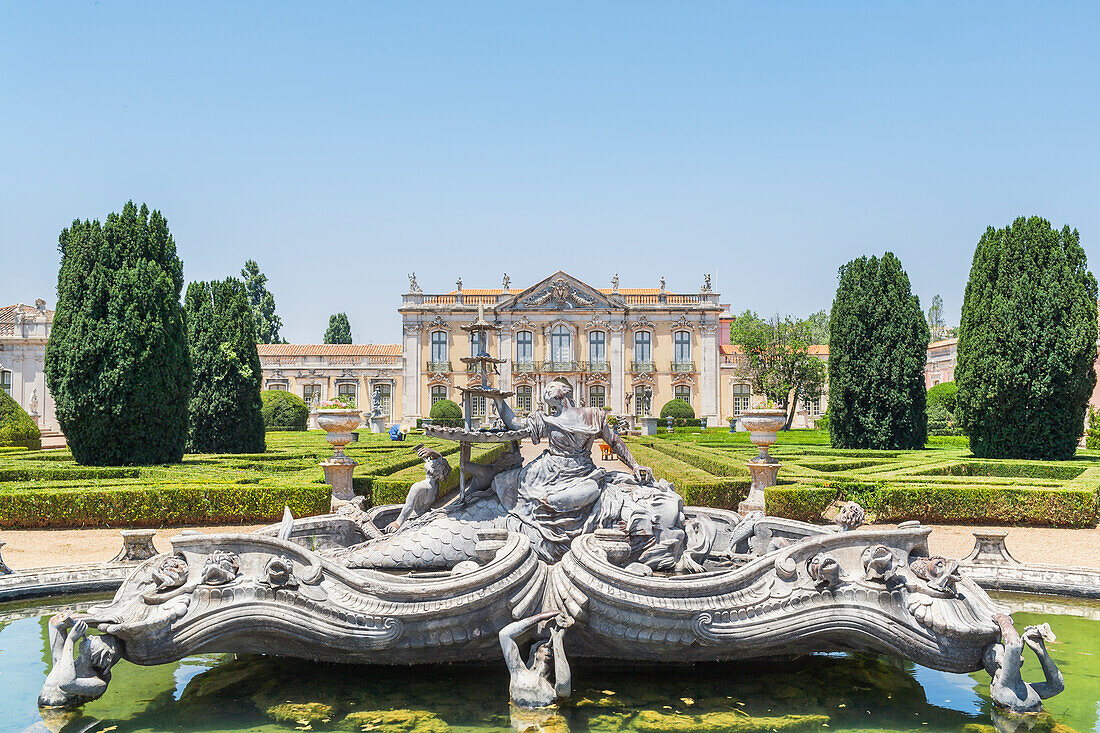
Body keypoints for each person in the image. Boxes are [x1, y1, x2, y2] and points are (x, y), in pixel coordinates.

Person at [39, 614, 122, 708]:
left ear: (103, 656)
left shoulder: (99, 685)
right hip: (41, 716)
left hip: (65, 719)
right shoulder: (64, 663)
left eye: (96, 639)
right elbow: (54, 623)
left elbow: (66, 684)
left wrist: (70, 641)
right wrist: (97, 619)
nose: (91, 636)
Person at [499, 610, 571, 708]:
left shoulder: (552, 689)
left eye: (552, 652)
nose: (548, 651)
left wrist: (558, 642)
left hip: (550, 722)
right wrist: (541, 617)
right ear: (535, 654)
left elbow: (563, 684)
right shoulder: (519, 673)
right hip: (520, 720)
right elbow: (504, 635)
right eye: (542, 649)